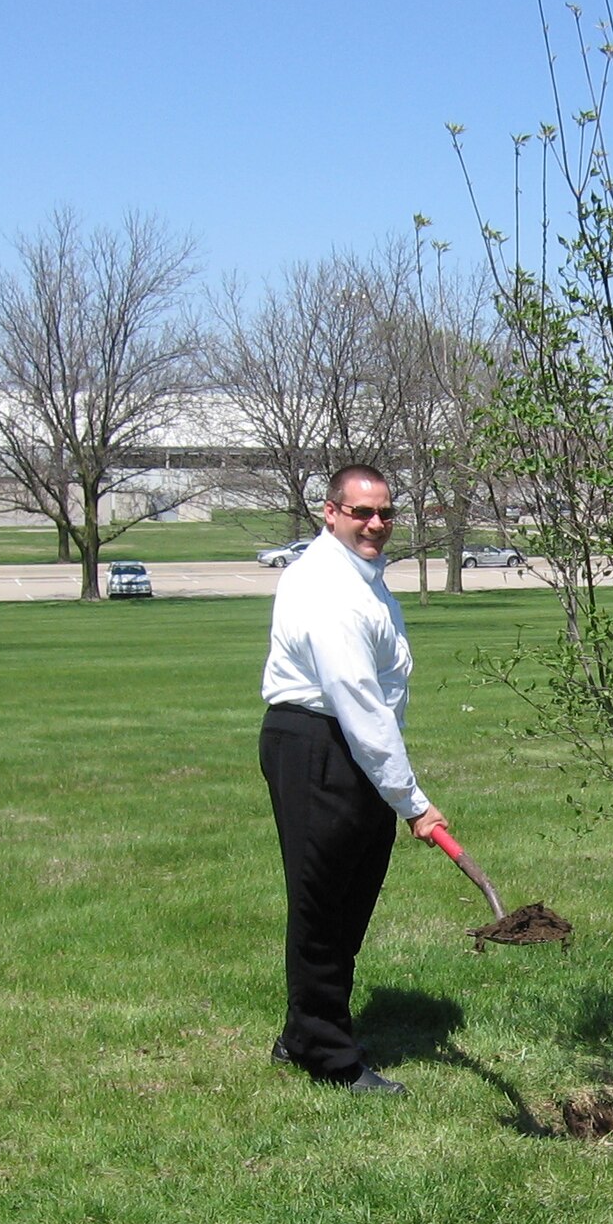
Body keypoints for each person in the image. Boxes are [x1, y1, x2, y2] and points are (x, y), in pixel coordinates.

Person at [259, 465, 447, 1093]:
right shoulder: (329, 586)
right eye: (362, 512)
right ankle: (330, 1058)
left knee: (346, 899)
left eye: (386, 513)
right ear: (329, 511)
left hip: (347, 746)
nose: (375, 524)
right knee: (323, 902)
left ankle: (305, 1030)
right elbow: (357, 699)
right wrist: (412, 802)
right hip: (319, 744)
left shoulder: (360, 577)